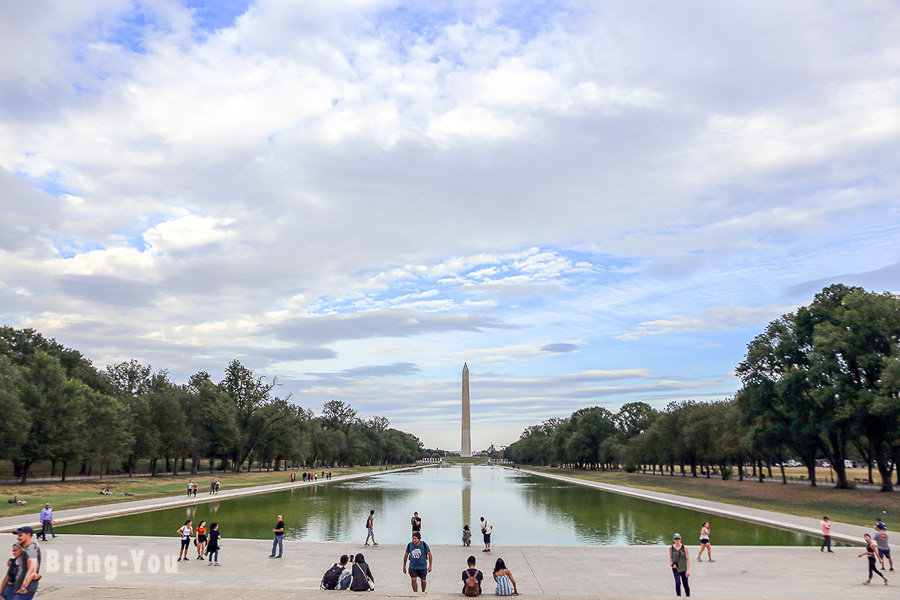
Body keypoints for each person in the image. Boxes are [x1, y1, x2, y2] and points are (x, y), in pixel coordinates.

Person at [11, 526, 41, 599]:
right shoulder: (26, 548)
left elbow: (31, 569)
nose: (18, 538)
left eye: (20, 535)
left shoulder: (31, 549)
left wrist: (23, 587)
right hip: (20, 587)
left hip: (26, 588)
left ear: (28, 535)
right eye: (18, 536)